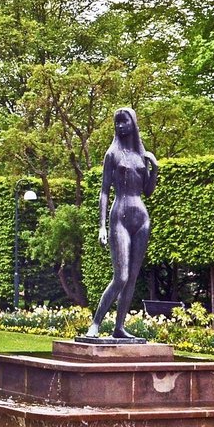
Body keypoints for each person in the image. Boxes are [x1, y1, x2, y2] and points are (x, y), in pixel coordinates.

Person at [85, 107, 158, 339]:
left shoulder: (140, 155)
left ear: (133, 123)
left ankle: (119, 327)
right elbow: (104, 191)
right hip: (119, 216)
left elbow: (148, 191)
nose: (120, 126)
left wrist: (154, 168)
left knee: (132, 278)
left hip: (141, 218)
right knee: (121, 277)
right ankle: (96, 323)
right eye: (117, 122)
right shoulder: (112, 154)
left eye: (124, 121)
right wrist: (102, 225)